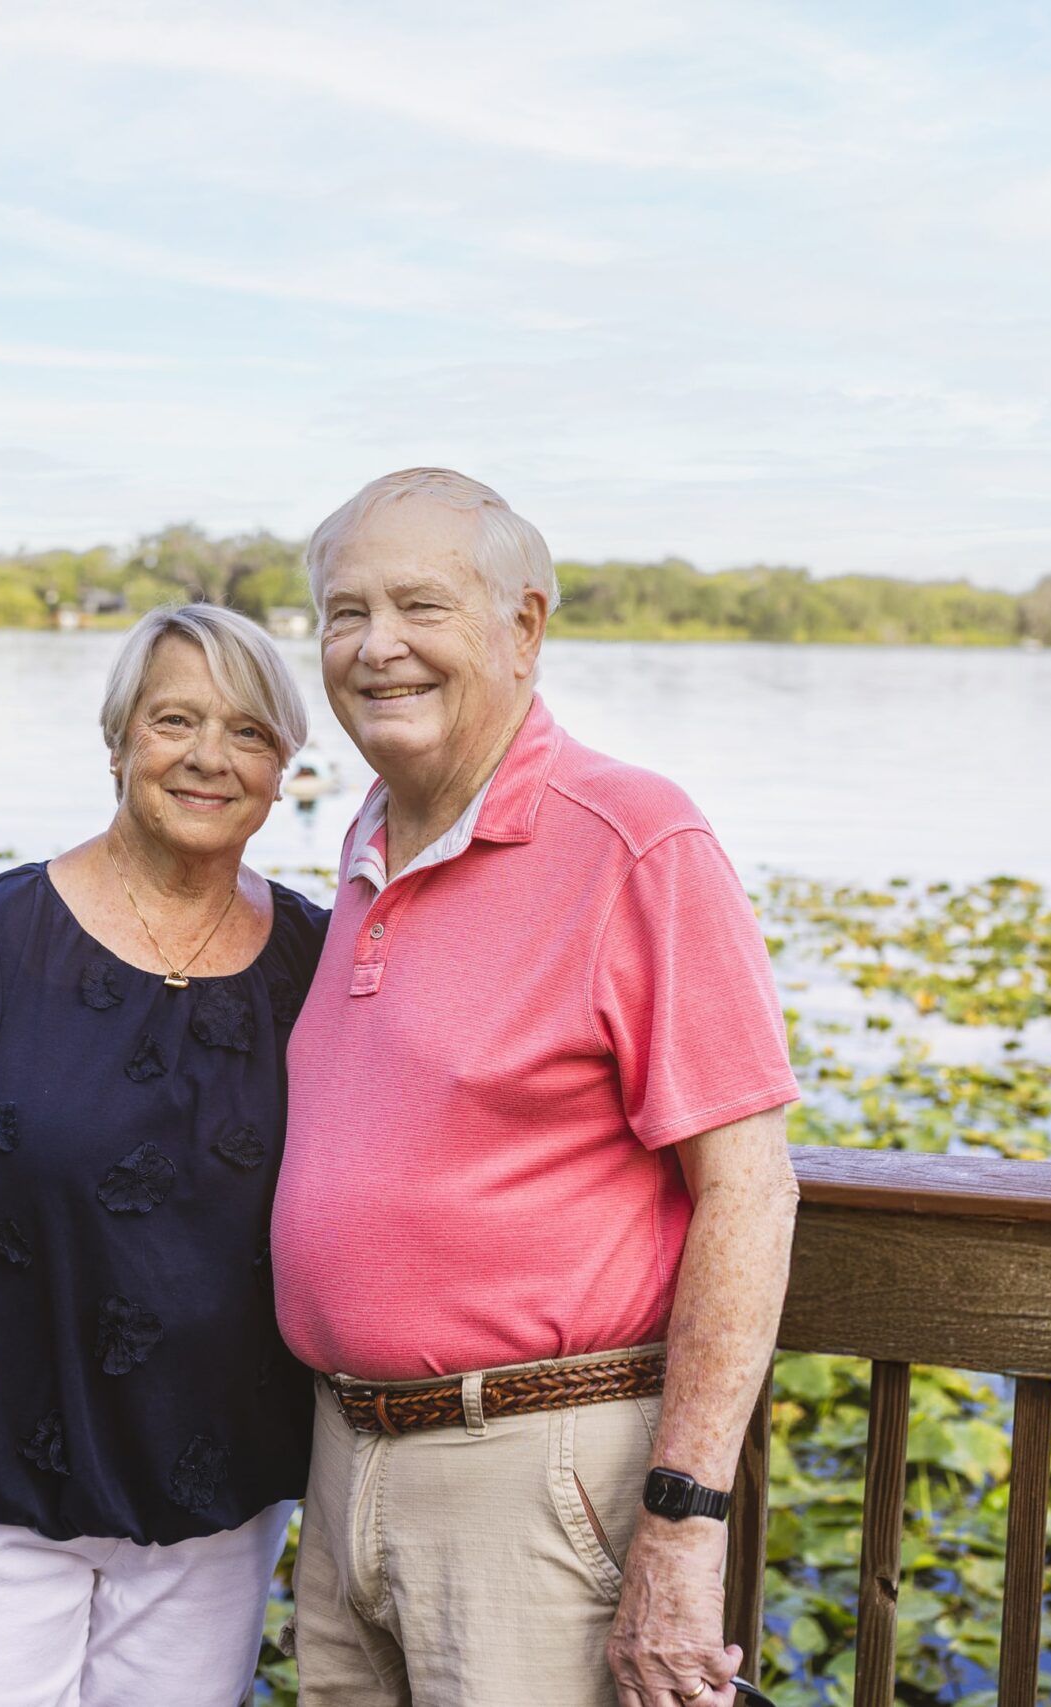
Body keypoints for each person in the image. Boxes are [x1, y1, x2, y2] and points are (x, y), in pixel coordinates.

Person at [274, 469, 801, 1707]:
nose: (377, 646)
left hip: (533, 1483)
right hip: (344, 1466)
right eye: (346, 613)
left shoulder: (633, 838)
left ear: (524, 627)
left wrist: (681, 1522)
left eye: (421, 606)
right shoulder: (365, 837)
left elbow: (748, 1191)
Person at [0, 603, 329, 1706]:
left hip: (213, 1512)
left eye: (247, 731)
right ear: (118, 740)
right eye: (174, 720)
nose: (209, 756)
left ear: (282, 768)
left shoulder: (313, 958)